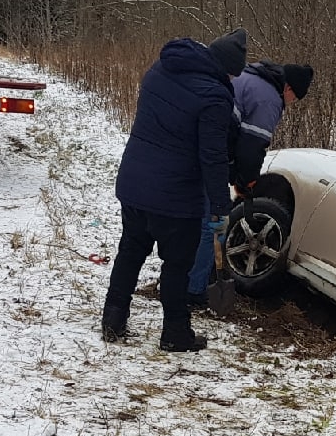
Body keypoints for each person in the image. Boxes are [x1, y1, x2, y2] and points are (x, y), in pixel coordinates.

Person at [101, 29, 246, 351]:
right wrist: (221, 207)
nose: (232, 81)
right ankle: (176, 334)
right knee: (178, 266)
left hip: (135, 182)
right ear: (224, 68)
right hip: (176, 196)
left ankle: (113, 319)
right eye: (232, 75)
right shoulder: (214, 96)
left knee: (130, 252)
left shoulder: (160, 69)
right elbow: (212, 157)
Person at [187, 60, 315, 305]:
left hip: (195, 147)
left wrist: (235, 173)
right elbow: (252, 146)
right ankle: (193, 290)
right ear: (288, 89)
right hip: (209, 158)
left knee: (195, 216)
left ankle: (178, 275)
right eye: (295, 98)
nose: (291, 103)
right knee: (215, 224)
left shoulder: (249, 76)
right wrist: (247, 181)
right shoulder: (269, 99)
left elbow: (234, 133)